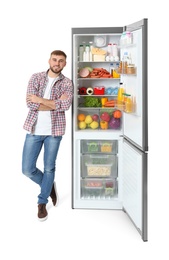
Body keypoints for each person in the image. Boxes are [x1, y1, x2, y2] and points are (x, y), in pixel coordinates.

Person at [22, 50, 73, 221]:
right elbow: (30, 103)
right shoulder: (36, 77)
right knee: (27, 169)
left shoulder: (67, 83)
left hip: (54, 132)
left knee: (49, 167)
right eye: (54, 60)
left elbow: (65, 105)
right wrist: (53, 103)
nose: (57, 63)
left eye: (61, 61)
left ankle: (42, 202)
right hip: (34, 130)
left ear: (65, 64)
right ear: (49, 60)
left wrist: (40, 100)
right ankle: (48, 185)